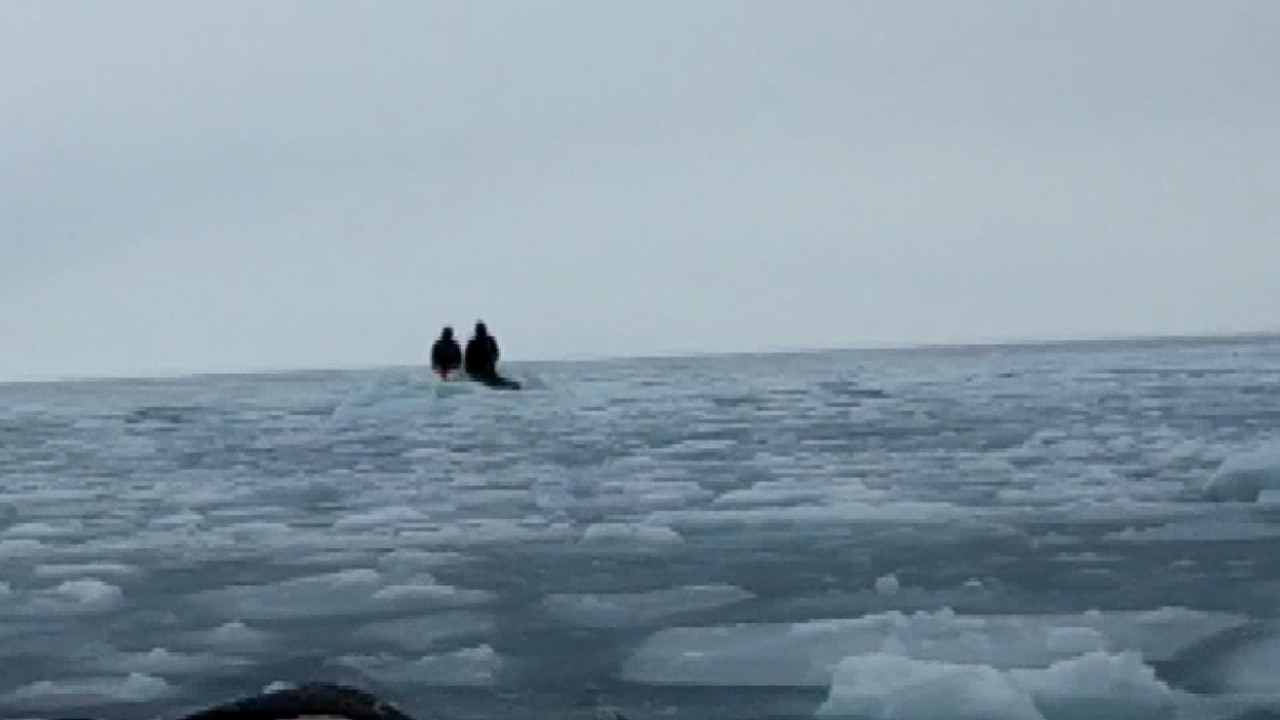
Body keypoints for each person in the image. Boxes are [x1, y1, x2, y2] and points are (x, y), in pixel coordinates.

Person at [464, 321, 520, 389]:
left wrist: (491, 362)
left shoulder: (488, 340)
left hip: (488, 371)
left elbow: (496, 353)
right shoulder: (473, 343)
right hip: (478, 371)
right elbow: (467, 359)